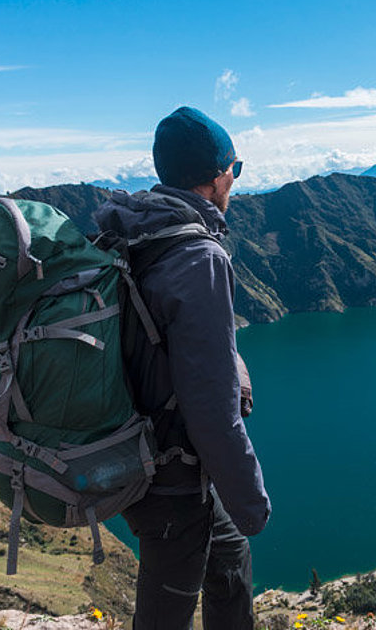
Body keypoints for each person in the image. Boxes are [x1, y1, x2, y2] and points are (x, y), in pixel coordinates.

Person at [93, 106, 271, 630]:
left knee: (230, 560)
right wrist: (252, 501)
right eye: (234, 171)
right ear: (218, 175)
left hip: (137, 445)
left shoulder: (131, 229)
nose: (234, 183)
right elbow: (212, 409)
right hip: (169, 478)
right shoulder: (199, 257)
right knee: (165, 612)